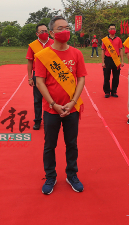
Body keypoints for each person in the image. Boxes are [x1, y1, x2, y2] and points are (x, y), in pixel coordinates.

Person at [34, 16, 87, 195]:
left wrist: (72, 102)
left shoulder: (76, 53)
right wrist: (53, 104)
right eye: (60, 28)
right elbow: (40, 82)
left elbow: (81, 79)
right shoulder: (43, 56)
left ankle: (72, 174)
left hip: (72, 108)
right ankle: (50, 176)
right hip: (51, 109)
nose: (65, 31)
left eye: (67, 27)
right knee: (50, 145)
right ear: (52, 33)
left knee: (71, 143)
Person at [26, 23, 54, 130]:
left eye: (46, 31)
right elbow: (29, 62)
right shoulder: (33, 45)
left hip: (52, 75)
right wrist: (29, 78)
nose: (44, 33)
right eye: (42, 31)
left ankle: (51, 120)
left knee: (51, 98)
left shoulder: (53, 42)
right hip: (37, 75)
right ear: (37, 33)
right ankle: (37, 120)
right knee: (37, 99)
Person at [101, 24, 124, 98]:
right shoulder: (105, 40)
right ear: (108, 30)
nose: (112, 30)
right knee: (106, 76)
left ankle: (114, 91)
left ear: (116, 30)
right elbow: (103, 51)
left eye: (114, 28)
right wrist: (103, 62)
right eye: (111, 28)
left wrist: (122, 61)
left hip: (116, 59)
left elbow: (121, 50)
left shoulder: (119, 39)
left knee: (116, 77)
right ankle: (107, 92)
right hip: (107, 59)